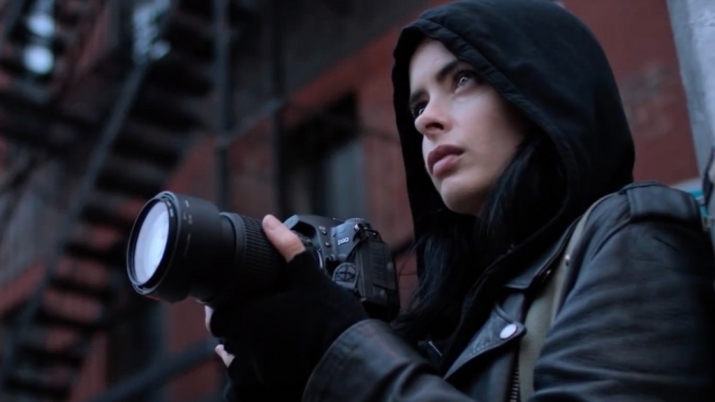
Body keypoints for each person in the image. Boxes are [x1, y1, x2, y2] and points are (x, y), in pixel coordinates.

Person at [205, 0, 715, 400]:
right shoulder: (446, 326)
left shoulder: (633, 235)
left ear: (542, 90)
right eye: (418, 104)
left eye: (463, 79)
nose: (425, 119)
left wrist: (336, 345)